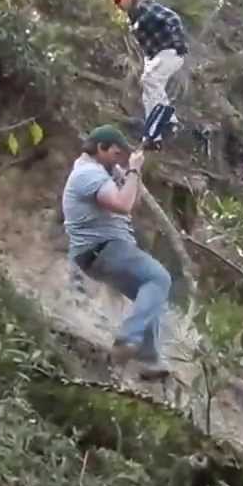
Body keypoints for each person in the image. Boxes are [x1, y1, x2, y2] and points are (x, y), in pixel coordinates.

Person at [62, 124, 172, 379]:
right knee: (159, 278)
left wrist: (131, 175)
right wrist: (132, 169)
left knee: (151, 294)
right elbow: (123, 205)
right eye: (115, 154)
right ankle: (127, 340)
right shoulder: (87, 173)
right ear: (100, 148)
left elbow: (133, 202)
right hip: (103, 249)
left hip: (103, 252)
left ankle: (149, 359)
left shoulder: (102, 172)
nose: (118, 161)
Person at [107, 0, 187, 138]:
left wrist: (178, 43)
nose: (118, 6)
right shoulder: (133, 17)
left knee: (151, 80)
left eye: (118, 0)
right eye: (114, 3)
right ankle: (154, 134)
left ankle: (170, 121)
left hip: (169, 51)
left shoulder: (143, 6)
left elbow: (172, 18)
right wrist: (149, 61)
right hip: (157, 56)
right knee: (148, 90)